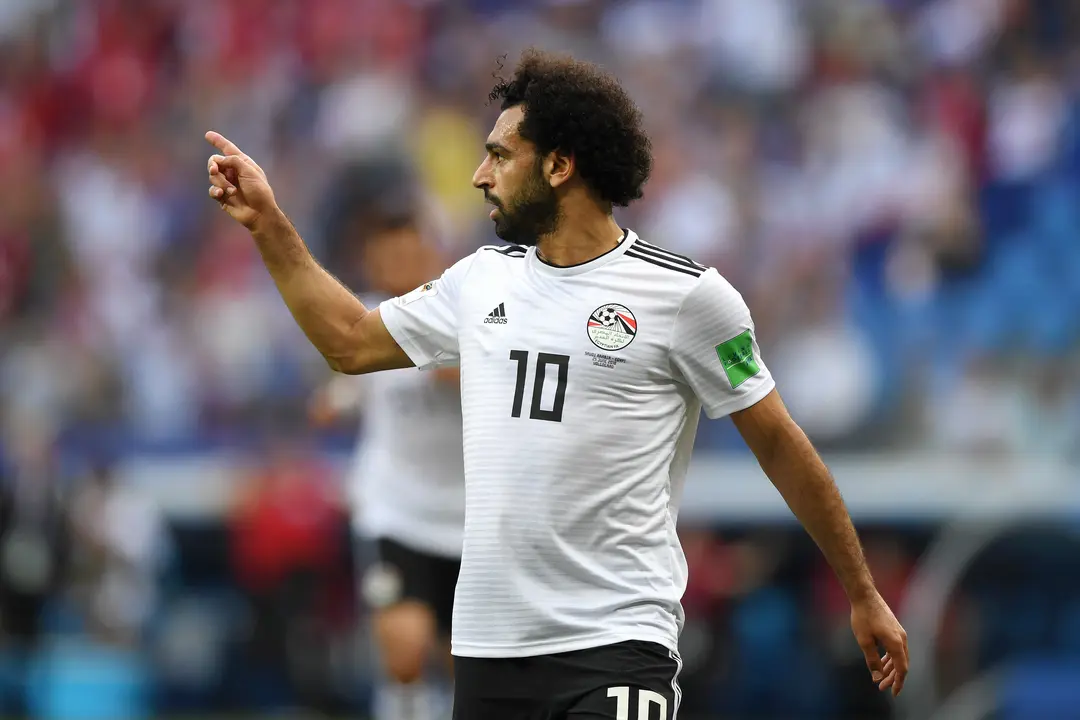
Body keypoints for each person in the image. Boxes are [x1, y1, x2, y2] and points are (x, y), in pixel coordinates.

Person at [204, 48, 909, 720]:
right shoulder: (480, 282)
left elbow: (781, 444)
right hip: (489, 648)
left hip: (615, 641)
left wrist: (862, 591)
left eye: (501, 156)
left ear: (561, 165)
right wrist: (268, 224)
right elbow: (350, 342)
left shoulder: (689, 299)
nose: (480, 175)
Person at [308, 171, 465, 720]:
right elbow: (339, 394)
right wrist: (331, 403)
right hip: (395, 511)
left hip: (467, 520)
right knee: (402, 648)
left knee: (463, 662)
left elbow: (477, 380)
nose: (394, 266)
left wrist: (440, 365)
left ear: (431, 251)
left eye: (406, 251)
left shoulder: (464, 315)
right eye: (383, 255)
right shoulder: (367, 320)